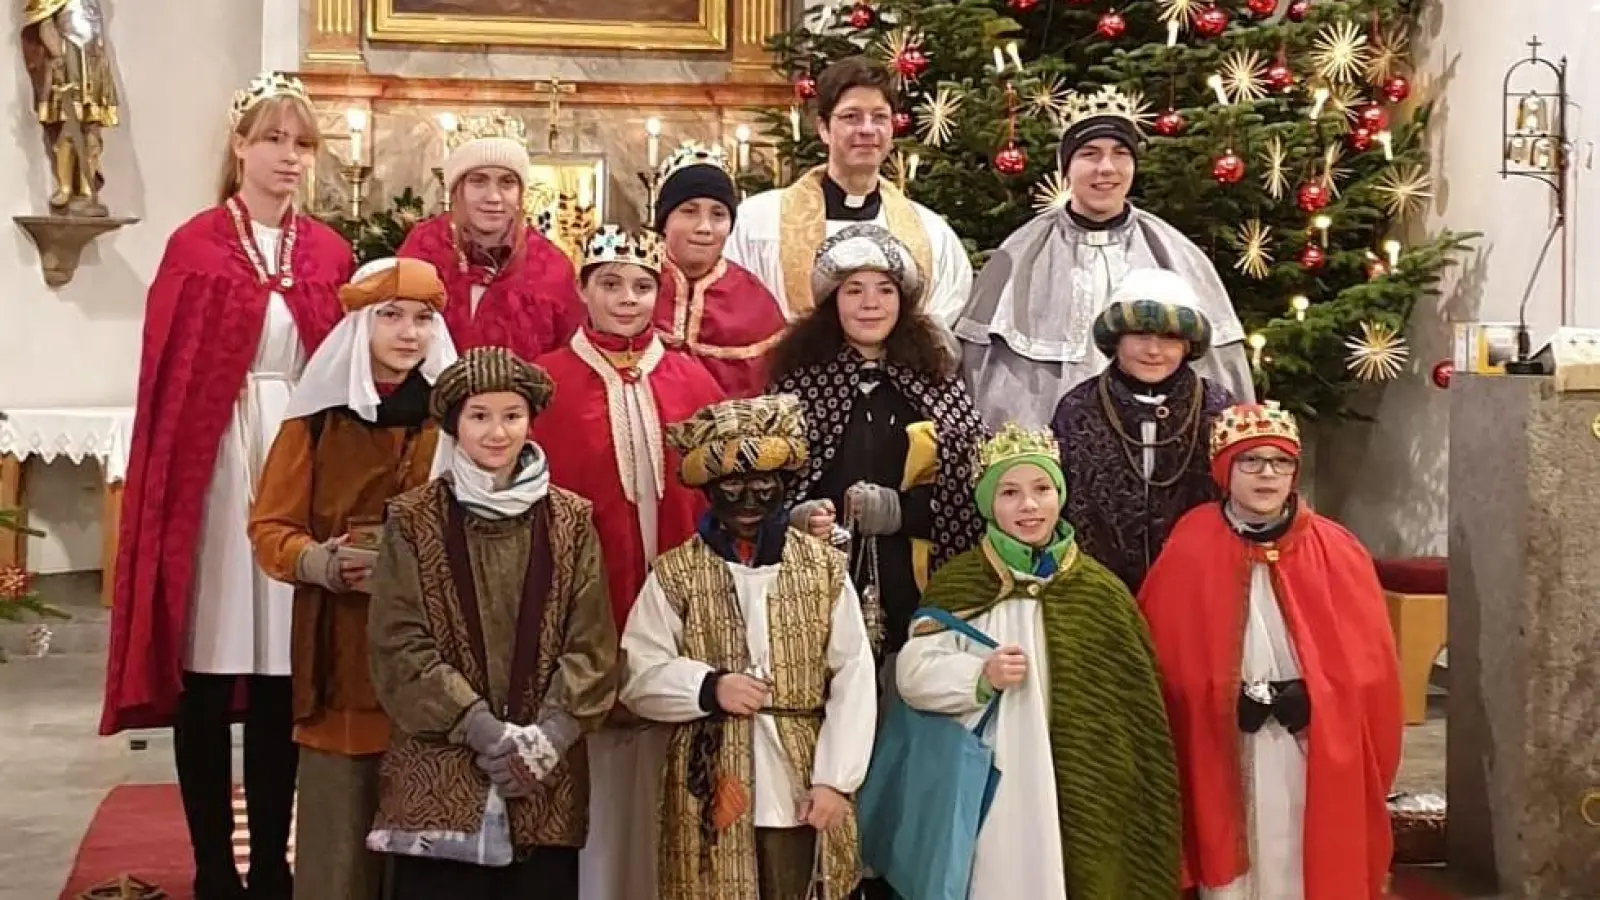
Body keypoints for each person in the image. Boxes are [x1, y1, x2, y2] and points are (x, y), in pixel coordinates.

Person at [100, 70, 350, 900]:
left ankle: (274, 864)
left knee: (284, 670)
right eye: (273, 138)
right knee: (208, 668)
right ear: (239, 146)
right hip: (213, 471)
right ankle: (213, 864)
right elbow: (173, 377)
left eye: (301, 142)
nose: (288, 156)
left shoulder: (326, 252)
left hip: (298, 468)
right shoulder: (197, 244)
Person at [365, 347, 618, 900]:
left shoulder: (572, 519)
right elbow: (399, 646)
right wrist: (482, 728)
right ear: (455, 423)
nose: (497, 432)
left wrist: (546, 740)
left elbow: (592, 644)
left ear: (531, 420)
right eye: (480, 416)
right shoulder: (412, 519)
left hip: (543, 774)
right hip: (442, 768)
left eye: (512, 415)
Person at [895, 423, 1180, 900]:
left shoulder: (1099, 591)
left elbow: (1135, 713)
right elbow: (914, 675)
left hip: (1089, 787)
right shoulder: (963, 582)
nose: (1029, 506)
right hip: (995, 783)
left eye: (1042, 489)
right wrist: (978, 677)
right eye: (1009, 493)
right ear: (988, 504)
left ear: (1060, 495)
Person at [247, 256, 456, 900]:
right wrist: (323, 563)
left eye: (423, 318)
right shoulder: (316, 421)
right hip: (341, 651)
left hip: (432, 657)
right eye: (390, 316)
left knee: (427, 845)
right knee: (338, 848)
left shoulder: (453, 422)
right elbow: (271, 529)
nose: (408, 333)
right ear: (361, 325)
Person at [1138, 402, 1404, 900]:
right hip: (1226, 750)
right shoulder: (1190, 546)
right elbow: (1163, 668)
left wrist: (1319, 701)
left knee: (1309, 859)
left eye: (1280, 462)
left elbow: (1373, 672)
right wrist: (1219, 700)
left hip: (1312, 749)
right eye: (1250, 461)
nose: (1267, 474)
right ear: (1224, 470)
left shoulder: (1338, 550)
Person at [530, 224, 724, 900]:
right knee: (597, 772)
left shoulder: (689, 377)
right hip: (588, 599)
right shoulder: (547, 384)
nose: (627, 299)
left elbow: (719, 495)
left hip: (674, 596)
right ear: (584, 289)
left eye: (642, 286)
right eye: (610, 284)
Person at [619, 394, 877, 900]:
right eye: (731, 487)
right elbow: (638, 673)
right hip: (709, 783)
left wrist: (835, 779)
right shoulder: (677, 572)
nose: (748, 501)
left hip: (799, 777)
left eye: (763, 486)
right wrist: (708, 687)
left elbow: (853, 674)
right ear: (709, 490)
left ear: (783, 485)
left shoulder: (822, 569)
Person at [956, 84, 1252, 429]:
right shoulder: (1019, 255)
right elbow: (982, 379)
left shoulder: (1176, 254)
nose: (1106, 168)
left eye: (1120, 153)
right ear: (1066, 167)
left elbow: (1221, 381)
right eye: (1090, 154)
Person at [769, 224, 987, 662]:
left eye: (884, 290)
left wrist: (901, 512)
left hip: (917, 585)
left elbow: (974, 489)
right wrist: (796, 517)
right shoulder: (796, 386)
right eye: (854, 291)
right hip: (818, 586)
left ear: (902, 301)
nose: (871, 303)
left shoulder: (936, 383)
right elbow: (765, 487)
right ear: (833, 302)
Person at [725, 55, 972, 325]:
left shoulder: (932, 234)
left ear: (892, 128)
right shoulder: (758, 222)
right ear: (824, 129)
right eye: (851, 117)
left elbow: (939, 331)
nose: (867, 129)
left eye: (879, 117)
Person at [1049, 268, 1234, 594]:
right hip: (1099, 589)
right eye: (1141, 336)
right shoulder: (1079, 407)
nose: (1154, 351)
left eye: (1169, 339)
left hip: (1196, 584)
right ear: (1116, 340)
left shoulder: (1215, 407)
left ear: (1188, 346)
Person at [398, 134, 585, 362]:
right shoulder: (424, 245)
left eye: (507, 182)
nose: (494, 197)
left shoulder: (551, 265)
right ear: (458, 190)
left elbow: (569, 353)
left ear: (520, 193)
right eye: (479, 181)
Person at [651, 141, 787, 398]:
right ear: (664, 221)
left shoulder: (754, 301)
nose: (705, 227)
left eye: (718, 214)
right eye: (689, 212)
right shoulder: (633, 284)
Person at [21, 0, 118, 215]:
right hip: (70, 57)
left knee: (92, 131)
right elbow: (44, 23)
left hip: (93, 58)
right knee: (68, 127)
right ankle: (65, 186)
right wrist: (58, 55)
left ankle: (87, 190)